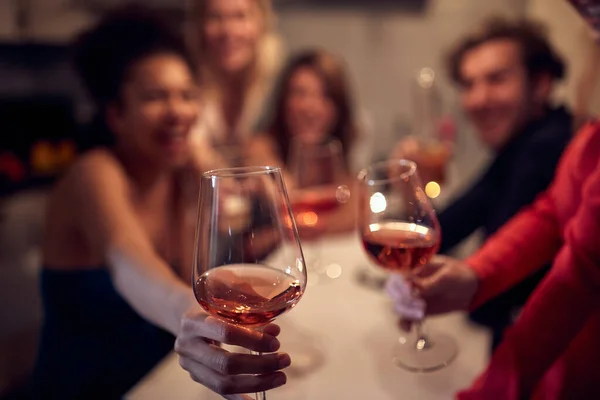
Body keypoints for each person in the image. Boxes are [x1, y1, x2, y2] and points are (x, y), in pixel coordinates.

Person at [31, 6, 289, 399]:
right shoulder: (94, 173)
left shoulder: (179, 179)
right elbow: (128, 262)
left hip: (159, 380)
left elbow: (194, 274)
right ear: (116, 114)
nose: (179, 112)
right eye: (156, 97)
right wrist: (189, 315)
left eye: (188, 95)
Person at [387, 9, 600, 400]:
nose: (478, 100)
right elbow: (451, 225)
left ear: (540, 84)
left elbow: (492, 308)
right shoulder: (522, 145)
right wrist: (412, 197)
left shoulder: (545, 146)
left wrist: (474, 282)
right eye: (469, 84)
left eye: (496, 80)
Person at [246, 49, 358, 237]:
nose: (311, 107)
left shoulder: (336, 157)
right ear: (283, 102)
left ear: (338, 108)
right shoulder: (261, 149)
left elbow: (357, 215)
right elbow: (285, 200)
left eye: (324, 96)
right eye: (300, 93)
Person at [188, 0, 283, 168]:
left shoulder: (278, 80)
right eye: (216, 17)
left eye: (240, 16)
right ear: (200, 26)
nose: (228, 31)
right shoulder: (185, 81)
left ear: (262, 23)